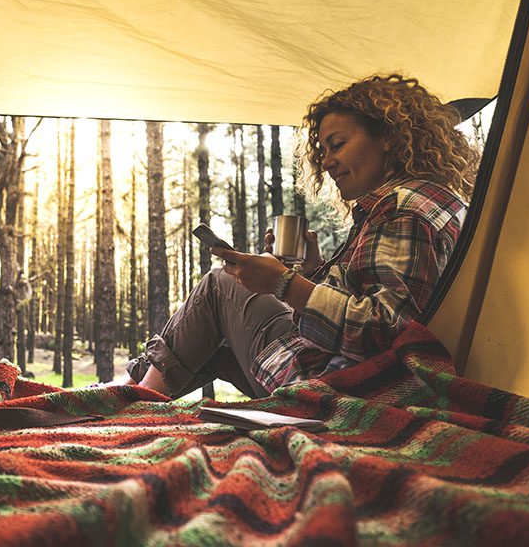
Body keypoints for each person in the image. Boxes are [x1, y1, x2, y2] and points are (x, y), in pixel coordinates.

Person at [113, 73, 480, 399]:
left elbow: (383, 330)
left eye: (337, 144)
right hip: (350, 377)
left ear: (386, 136)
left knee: (221, 283)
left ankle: (132, 398)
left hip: (342, 388)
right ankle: (135, 391)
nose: (327, 161)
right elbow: (383, 302)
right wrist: (313, 271)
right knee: (210, 349)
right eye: (322, 152)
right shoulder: (432, 200)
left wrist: (286, 284)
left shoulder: (400, 207)